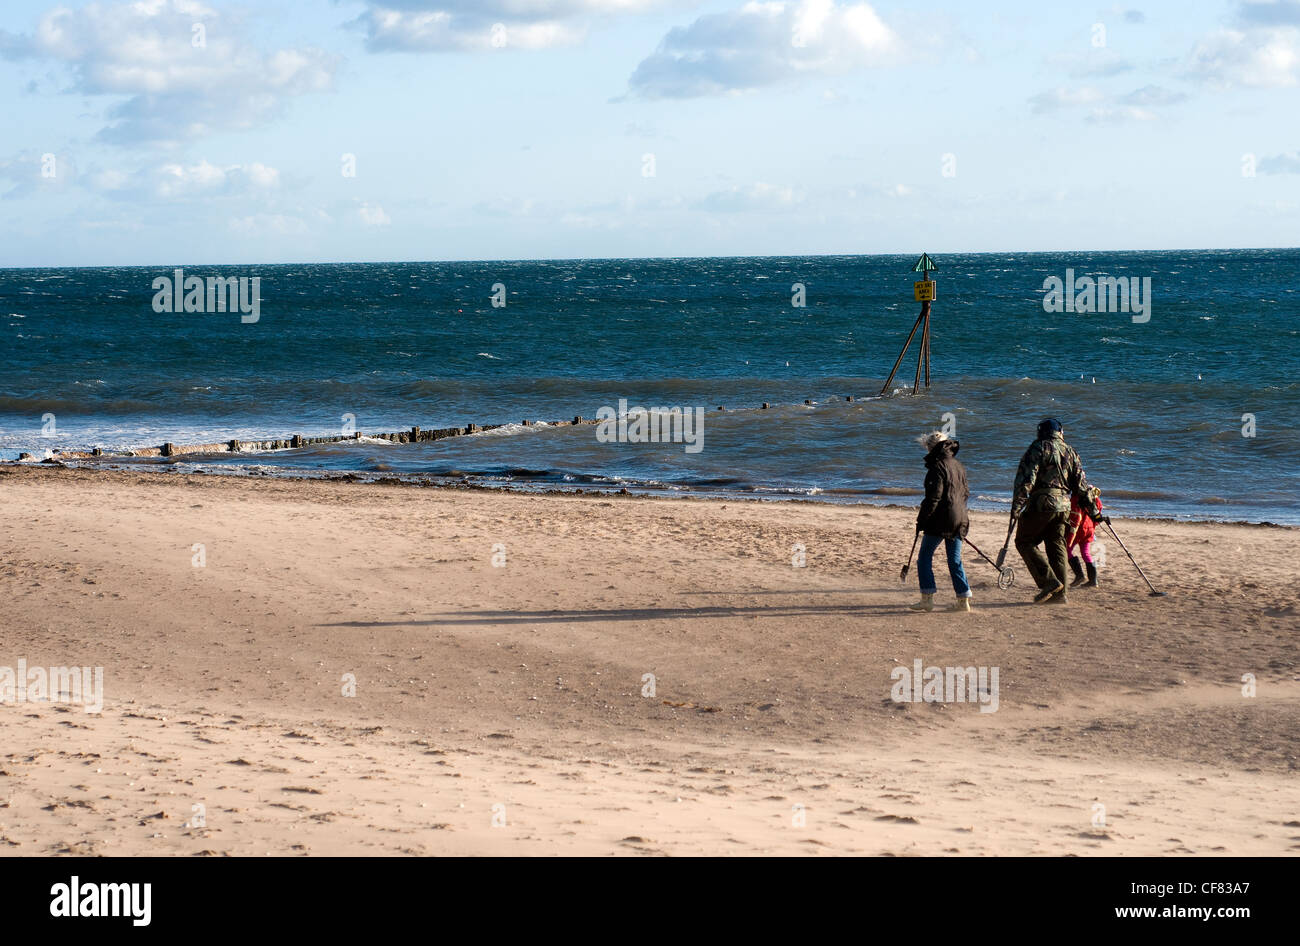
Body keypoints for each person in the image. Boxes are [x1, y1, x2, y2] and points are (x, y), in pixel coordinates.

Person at [1010, 418, 1100, 605]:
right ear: (1060, 432)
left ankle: (1049, 582)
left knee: (1024, 541)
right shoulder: (1071, 451)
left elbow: (1026, 480)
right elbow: (1082, 487)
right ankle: (1061, 594)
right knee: (1056, 547)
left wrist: (1017, 507)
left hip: (1042, 503)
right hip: (1064, 506)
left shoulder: (1037, 447)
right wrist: (1093, 511)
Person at [908, 431, 974, 613]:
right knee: (954, 560)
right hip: (960, 517)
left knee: (924, 557)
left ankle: (927, 599)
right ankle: (963, 601)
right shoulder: (958, 466)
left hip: (941, 520)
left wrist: (921, 520)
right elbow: (966, 493)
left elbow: (933, 499)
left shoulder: (937, 467)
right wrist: (958, 515)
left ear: (931, 448)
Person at [1067, 486, 1103, 588]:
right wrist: (1094, 525)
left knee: (1066, 550)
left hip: (1079, 529)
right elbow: (1098, 511)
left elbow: (1073, 515)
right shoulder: (1094, 498)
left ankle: (1079, 576)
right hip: (1090, 528)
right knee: (1086, 553)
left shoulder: (1076, 498)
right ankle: (1093, 581)